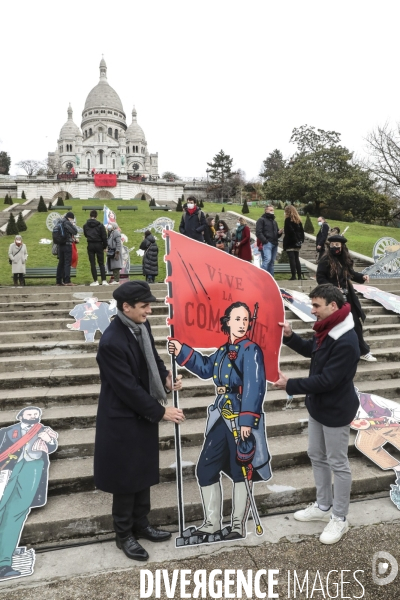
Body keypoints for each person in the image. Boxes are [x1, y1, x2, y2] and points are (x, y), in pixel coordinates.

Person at [94, 281, 184, 561]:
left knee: (143, 471)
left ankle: (141, 524)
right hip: (121, 419)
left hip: (141, 414)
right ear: (126, 307)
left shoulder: (140, 325)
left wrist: (166, 379)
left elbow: (152, 359)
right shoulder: (111, 342)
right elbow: (127, 389)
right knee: (125, 478)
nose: (150, 310)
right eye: (144, 306)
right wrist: (161, 412)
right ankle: (124, 535)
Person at [168, 302, 271, 541]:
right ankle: (212, 523)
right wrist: (182, 350)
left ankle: (237, 525)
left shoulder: (251, 350)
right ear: (227, 322)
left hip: (240, 418)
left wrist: (247, 420)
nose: (242, 324)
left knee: (240, 471)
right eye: (237, 319)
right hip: (221, 416)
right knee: (205, 467)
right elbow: (205, 368)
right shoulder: (223, 351)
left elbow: (255, 386)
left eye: (245, 320)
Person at [274, 284, 360, 545]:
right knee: (316, 454)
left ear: (332, 306)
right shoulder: (330, 327)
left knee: (338, 463)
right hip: (318, 406)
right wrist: (289, 336)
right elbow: (314, 350)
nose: (312, 311)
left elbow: (327, 381)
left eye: (316, 306)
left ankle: (340, 517)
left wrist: (290, 385)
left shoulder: (346, 338)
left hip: (335, 409)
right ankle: (323, 506)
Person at [0, 407, 58, 579]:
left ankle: (4, 562)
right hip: (7, 471)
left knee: (17, 513)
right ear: (21, 415)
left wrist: (48, 441)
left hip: (32, 469)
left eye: (36, 414)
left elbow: (52, 447)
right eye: (29, 414)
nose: (33, 416)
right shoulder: (8, 431)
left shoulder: (44, 430)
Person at [316, 234, 376, 362]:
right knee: (333, 325)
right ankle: (330, 352)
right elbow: (320, 277)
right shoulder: (325, 260)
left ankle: (363, 351)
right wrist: (331, 288)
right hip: (332, 298)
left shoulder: (345, 260)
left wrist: (362, 277)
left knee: (355, 323)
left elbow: (352, 274)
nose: (335, 247)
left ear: (342, 246)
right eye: (332, 245)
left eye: (337, 245)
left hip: (348, 296)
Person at [255, 205, 283, 276]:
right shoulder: (261, 220)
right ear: (266, 210)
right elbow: (258, 232)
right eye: (270, 210)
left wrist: (279, 233)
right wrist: (265, 241)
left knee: (272, 262)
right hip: (268, 243)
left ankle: (271, 278)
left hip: (274, 243)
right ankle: (261, 276)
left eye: (273, 210)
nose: (272, 211)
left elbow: (276, 234)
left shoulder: (274, 221)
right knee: (267, 260)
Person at [83, 210, 108, 286]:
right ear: (96, 216)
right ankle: (104, 280)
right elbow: (104, 237)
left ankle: (95, 280)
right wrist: (104, 246)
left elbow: (86, 235)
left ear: (89, 216)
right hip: (99, 244)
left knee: (92, 263)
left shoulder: (85, 225)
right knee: (101, 263)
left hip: (90, 244)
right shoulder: (100, 225)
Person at [56, 212, 78, 286]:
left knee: (60, 263)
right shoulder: (67, 222)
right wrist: (73, 225)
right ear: (70, 218)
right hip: (67, 245)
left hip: (60, 245)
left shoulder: (59, 222)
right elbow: (75, 231)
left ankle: (58, 281)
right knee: (67, 263)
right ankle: (67, 281)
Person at [283, 205, 305, 280]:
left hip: (290, 242)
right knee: (297, 259)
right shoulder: (298, 220)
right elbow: (302, 231)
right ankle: (299, 276)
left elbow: (290, 232)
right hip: (297, 242)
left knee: (291, 259)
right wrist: (300, 240)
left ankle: (293, 275)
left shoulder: (288, 220)